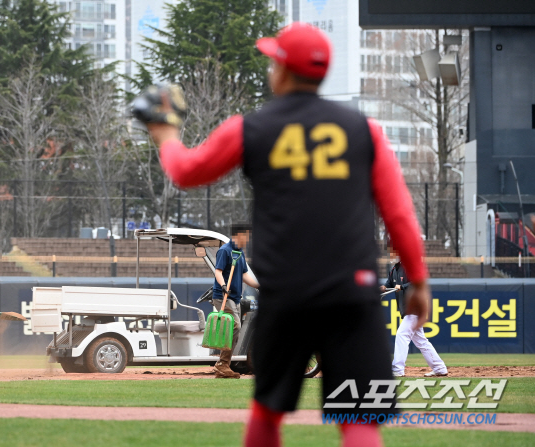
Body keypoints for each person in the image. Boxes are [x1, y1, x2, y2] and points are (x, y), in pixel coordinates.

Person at [141, 22, 431, 447]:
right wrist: (419, 282)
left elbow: (186, 172)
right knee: (360, 418)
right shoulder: (363, 130)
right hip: (353, 291)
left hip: (288, 292)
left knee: (268, 413)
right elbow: (400, 215)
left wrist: (165, 133)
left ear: (281, 70)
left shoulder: (251, 127)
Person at [382, 241, 448, 378]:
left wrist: (403, 287)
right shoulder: (394, 269)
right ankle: (439, 368)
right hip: (407, 311)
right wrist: (382, 287)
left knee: (402, 335)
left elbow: (416, 282)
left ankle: (398, 369)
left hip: (415, 309)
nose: (391, 254)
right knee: (421, 342)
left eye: (393, 251)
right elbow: (388, 284)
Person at [212, 223, 260, 379]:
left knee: (234, 331)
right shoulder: (225, 251)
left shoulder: (239, 253)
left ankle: (223, 365)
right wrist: (224, 285)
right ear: (239, 235)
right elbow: (218, 272)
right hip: (223, 296)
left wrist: (260, 285)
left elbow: (245, 275)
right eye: (246, 236)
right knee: (235, 326)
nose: (248, 239)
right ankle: (222, 364)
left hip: (235, 298)